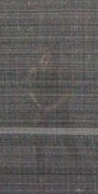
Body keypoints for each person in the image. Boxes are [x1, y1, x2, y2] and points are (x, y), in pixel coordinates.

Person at [26, 50, 80, 178]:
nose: (48, 62)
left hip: (59, 110)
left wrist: (52, 107)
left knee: (67, 138)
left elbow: (66, 94)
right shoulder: (34, 73)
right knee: (38, 140)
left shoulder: (60, 74)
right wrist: (40, 106)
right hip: (41, 109)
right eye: (44, 59)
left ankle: (79, 168)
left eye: (50, 59)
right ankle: (40, 173)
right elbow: (31, 91)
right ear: (39, 61)